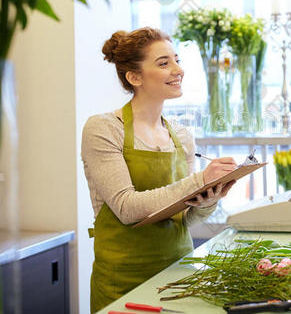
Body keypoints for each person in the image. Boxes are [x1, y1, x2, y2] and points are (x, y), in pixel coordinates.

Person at [82, 27, 237, 313]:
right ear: (134, 77)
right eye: (164, 63)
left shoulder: (182, 135)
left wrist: (209, 197)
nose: (178, 70)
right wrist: (199, 179)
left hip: (179, 272)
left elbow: (183, 219)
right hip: (122, 279)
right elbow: (126, 208)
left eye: (176, 60)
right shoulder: (103, 128)